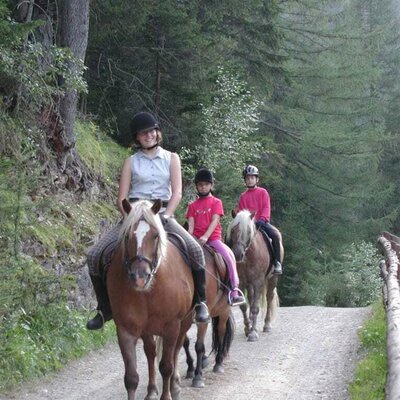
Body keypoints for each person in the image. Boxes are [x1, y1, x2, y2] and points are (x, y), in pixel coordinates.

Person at [86, 111, 210, 330]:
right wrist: (130, 220)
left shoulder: (172, 158)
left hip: (161, 212)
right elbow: (122, 198)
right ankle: (104, 308)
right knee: (95, 254)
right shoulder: (130, 162)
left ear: (157, 132)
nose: (148, 135)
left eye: (151, 131)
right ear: (137, 137)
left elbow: (177, 192)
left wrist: (168, 214)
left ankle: (200, 303)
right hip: (134, 214)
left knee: (195, 250)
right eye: (143, 133)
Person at [186, 168, 245, 305]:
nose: (203, 187)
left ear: (211, 185)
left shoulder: (216, 202)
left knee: (229, 258)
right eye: (200, 185)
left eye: (206, 184)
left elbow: (215, 221)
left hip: (213, 239)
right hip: (196, 240)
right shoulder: (192, 206)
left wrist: (206, 237)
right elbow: (190, 225)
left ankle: (233, 291)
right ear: (197, 186)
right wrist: (189, 238)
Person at [236, 165, 283, 275]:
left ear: (257, 179)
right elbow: (242, 212)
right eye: (247, 178)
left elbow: (266, 207)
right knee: (233, 237)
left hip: (262, 223)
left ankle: (277, 262)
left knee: (276, 235)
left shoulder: (263, 192)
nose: (250, 180)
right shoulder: (243, 196)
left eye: (252, 178)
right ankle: (234, 260)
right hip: (248, 226)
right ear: (245, 180)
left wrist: (263, 219)